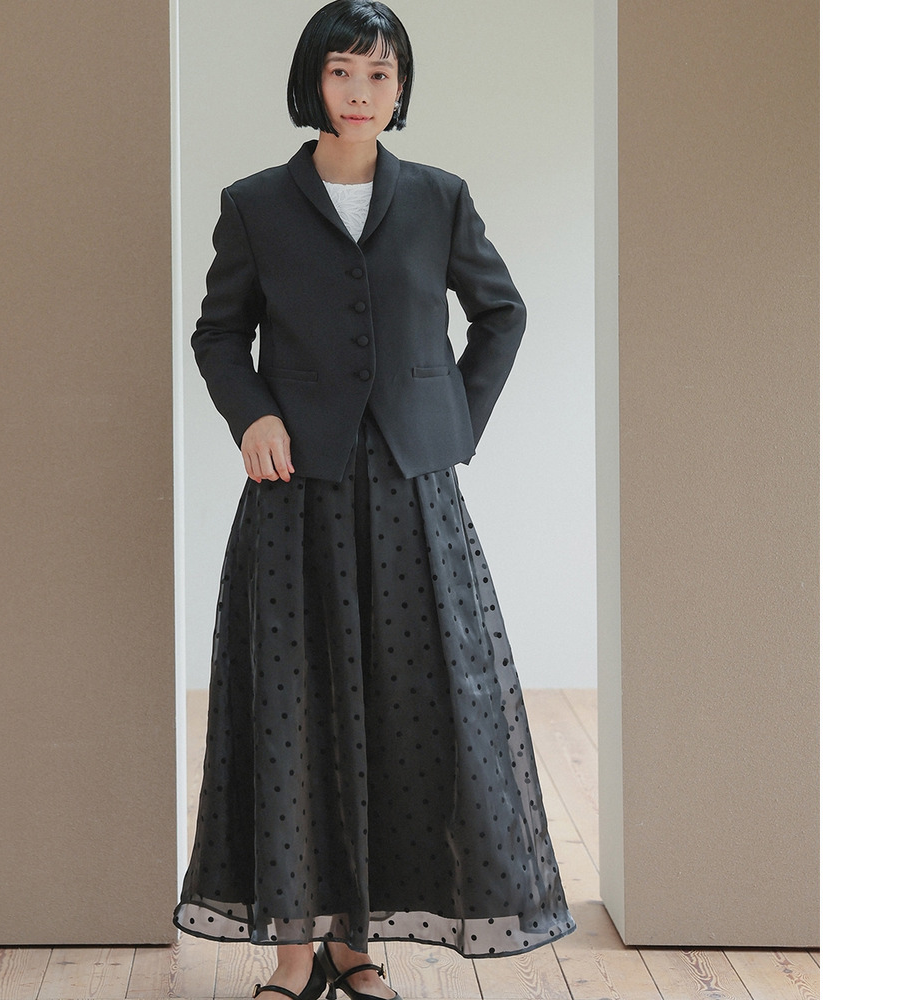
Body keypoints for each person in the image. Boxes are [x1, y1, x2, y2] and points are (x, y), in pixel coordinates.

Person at [173, 2, 576, 998]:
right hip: (293, 496)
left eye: (379, 75)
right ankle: (293, 954)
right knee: (294, 710)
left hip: (410, 492)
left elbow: (501, 313)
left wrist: (454, 422)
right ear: (312, 81)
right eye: (343, 72)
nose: (360, 92)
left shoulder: (439, 197)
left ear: (401, 90)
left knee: (406, 710)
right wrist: (253, 416)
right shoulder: (255, 204)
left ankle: (358, 946)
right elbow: (219, 334)